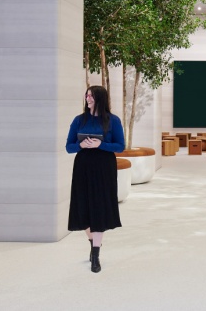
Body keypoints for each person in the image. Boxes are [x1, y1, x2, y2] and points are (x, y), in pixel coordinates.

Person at [66, 85, 125, 273]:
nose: (87, 98)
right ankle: (93, 243)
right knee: (83, 208)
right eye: (86, 95)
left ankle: (96, 255)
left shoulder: (113, 120)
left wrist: (101, 144)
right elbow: (69, 147)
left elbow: (120, 146)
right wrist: (81, 145)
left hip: (104, 167)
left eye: (91, 95)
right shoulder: (78, 120)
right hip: (83, 166)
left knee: (99, 208)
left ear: (100, 98)